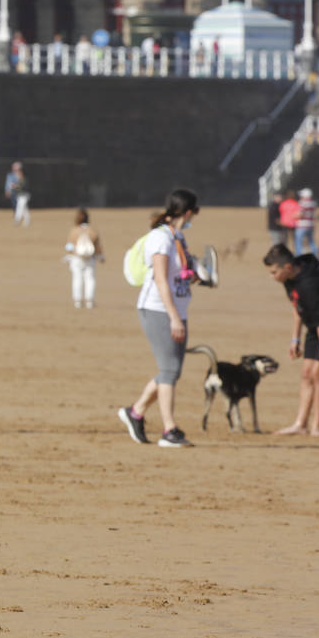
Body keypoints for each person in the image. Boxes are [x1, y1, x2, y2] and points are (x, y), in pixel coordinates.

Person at [119, 189, 202, 448]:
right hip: (158, 310)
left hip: (177, 310)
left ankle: (135, 412)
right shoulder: (160, 238)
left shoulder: (178, 237)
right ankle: (169, 429)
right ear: (188, 212)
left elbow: (177, 277)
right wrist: (174, 318)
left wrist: (196, 277)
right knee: (169, 370)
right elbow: (160, 280)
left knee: (172, 371)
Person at [263, 244, 319, 435]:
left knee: (318, 373)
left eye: (274, 272)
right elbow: (297, 307)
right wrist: (295, 340)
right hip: (314, 326)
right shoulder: (290, 280)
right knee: (306, 373)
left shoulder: (310, 285)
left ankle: (316, 426)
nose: (272, 276)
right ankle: (300, 424)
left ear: (287, 267)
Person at [65, 207, 102, 309]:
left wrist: (70, 255)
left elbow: (69, 246)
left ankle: (78, 301)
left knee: (77, 279)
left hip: (76, 258)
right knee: (90, 279)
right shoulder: (92, 231)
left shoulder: (74, 231)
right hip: (90, 258)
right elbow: (98, 247)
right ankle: (90, 301)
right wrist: (100, 256)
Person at [4, 161, 30, 226]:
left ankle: (17, 220)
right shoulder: (13, 176)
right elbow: (14, 185)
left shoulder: (23, 179)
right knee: (24, 209)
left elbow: (22, 186)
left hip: (24, 195)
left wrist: (15, 186)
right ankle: (27, 220)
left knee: (19, 207)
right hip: (19, 195)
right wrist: (12, 188)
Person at [294, 188, 318, 257]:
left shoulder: (303, 203)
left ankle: (298, 257)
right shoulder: (313, 203)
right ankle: (315, 255)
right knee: (311, 242)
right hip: (310, 225)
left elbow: (301, 214)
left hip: (302, 225)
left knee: (298, 243)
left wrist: (294, 216)